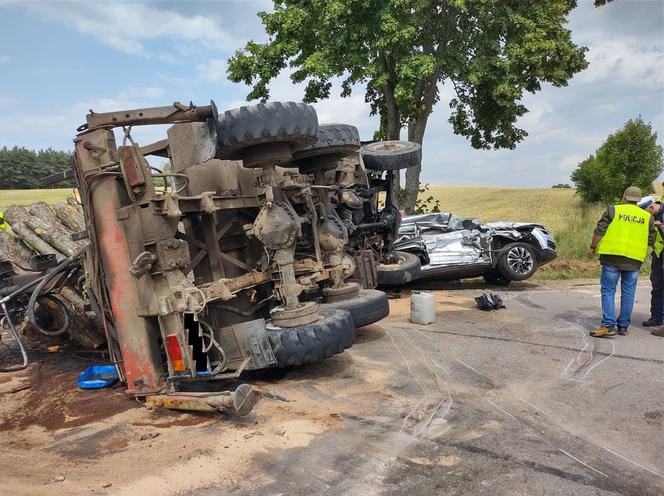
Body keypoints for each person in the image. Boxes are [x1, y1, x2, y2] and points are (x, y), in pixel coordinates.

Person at [587, 186, 655, 338]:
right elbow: (651, 240)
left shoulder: (613, 210)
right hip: (634, 260)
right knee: (629, 293)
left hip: (612, 257)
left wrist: (592, 248)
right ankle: (623, 326)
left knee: (608, 291)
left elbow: (599, 231)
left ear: (624, 197)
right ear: (639, 200)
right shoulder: (648, 217)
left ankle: (608, 325)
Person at [638, 196, 664, 338]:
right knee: (657, 287)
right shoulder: (655, 215)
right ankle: (657, 318)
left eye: (646, 212)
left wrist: (659, 226)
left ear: (652, 207)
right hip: (659, 256)